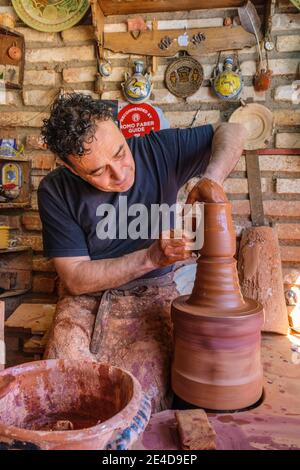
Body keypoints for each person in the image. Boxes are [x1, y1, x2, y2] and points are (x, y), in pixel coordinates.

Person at [38, 93, 246, 412]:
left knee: (146, 396)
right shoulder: (55, 190)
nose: (120, 175)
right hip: (85, 299)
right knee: (64, 390)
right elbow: (76, 278)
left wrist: (211, 179)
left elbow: (233, 130)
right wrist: (151, 257)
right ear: (70, 167)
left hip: (154, 292)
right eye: (97, 172)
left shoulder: (158, 149)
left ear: (122, 131)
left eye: (120, 152)